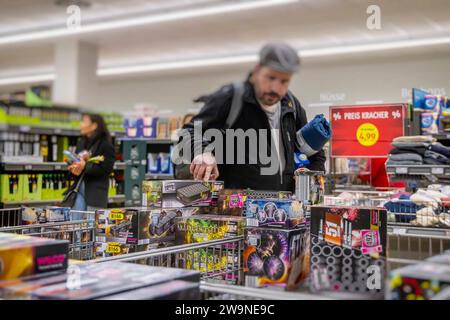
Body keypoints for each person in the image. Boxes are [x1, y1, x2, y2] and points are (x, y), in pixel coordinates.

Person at [180, 42, 326, 191]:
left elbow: (314, 150)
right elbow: (188, 132)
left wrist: (311, 177)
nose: (275, 88)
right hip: (238, 208)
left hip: (284, 206)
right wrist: (202, 152)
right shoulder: (232, 98)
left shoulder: (291, 105)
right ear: (257, 71)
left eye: (284, 81)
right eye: (270, 78)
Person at [68, 113, 115, 217]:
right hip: (78, 189)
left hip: (95, 193)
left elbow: (106, 169)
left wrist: (85, 166)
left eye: (84, 122)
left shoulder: (105, 144)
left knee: (93, 225)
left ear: (94, 125)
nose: (80, 124)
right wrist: (74, 168)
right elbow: (76, 160)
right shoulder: (81, 142)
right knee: (75, 223)